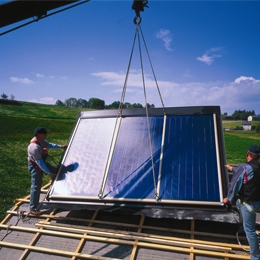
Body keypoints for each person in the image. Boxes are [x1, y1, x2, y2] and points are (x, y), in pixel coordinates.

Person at [224, 144, 260, 260]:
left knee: (251, 231)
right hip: (257, 202)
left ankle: (255, 257)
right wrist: (232, 168)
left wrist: (228, 199)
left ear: (248, 154)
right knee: (239, 203)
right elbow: (243, 172)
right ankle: (243, 225)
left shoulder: (244, 167)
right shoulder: (256, 167)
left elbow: (234, 184)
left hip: (249, 204)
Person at [28, 126, 67, 215]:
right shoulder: (33, 147)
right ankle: (33, 209)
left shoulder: (42, 141)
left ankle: (56, 192)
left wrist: (61, 147)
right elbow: (39, 163)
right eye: (44, 134)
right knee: (36, 186)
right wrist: (49, 173)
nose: (46, 135)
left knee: (57, 172)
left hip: (41, 163)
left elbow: (49, 145)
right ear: (39, 135)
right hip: (35, 167)